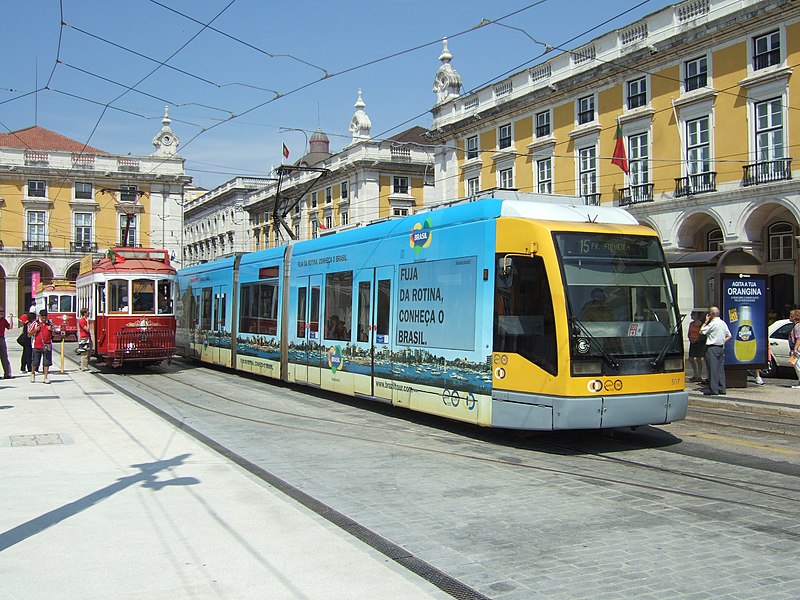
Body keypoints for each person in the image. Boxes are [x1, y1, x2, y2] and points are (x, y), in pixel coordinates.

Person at [700, 306, 732, 396]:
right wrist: (722, 341)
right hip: (721, 347)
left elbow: (701, 331)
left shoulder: (712, 323)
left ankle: (713, 389)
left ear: (710, 315)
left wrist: (705, 322)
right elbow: (729, 335)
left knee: (712, 369)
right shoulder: (723, 323)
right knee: (720, 369)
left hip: (712, 348)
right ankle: (722, 388)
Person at [29, 309, 54, 384]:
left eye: (45, 316)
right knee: (35, 361)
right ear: (39, 316)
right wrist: (36, 330)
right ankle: (32, 373)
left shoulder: (50, 323)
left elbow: (55, 334)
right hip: (37, 345)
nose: (44, 317)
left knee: (46, 362)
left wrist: (51, 330)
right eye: (42, 316)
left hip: (47, 345)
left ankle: (45, 377)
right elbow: (29, 334)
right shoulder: (35, 323)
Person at [687, 311, 705, 382]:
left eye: (694, 315)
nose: (692, 316)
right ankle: (695, 373)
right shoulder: (691, 324)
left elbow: (702, 333)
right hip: (692, 342)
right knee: (691, 358)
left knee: (699, 359)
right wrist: (690, 338)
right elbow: (689, 332)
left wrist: (698, 339)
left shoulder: (701, 324)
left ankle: (699, 375)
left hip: (699, 343)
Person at [788, 308, 800, 389]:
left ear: (795, 317)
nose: (789, 317)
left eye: (791, 315)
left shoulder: (797, 326)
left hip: (798, 349)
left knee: (798, 366)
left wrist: (795, 349)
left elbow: (799, 338)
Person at [77, 307, 92, 372]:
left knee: (88, 352)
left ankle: (82, 366)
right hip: (84, 338)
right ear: (84, 313)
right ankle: (84, 367)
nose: (88, 313)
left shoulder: (84, 320)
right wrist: (88, 322)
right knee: (85, 353)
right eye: (87, 312)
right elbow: (87, 329)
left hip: (87, 338)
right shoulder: (82, 321)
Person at [0, 308, 12, 379]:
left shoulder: (3, 320)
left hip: (1, 339)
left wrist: (11, 318)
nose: (1, 313)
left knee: (4, 357)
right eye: (0, 311)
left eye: (2, 311)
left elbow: (9, 327)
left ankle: (7, 374)